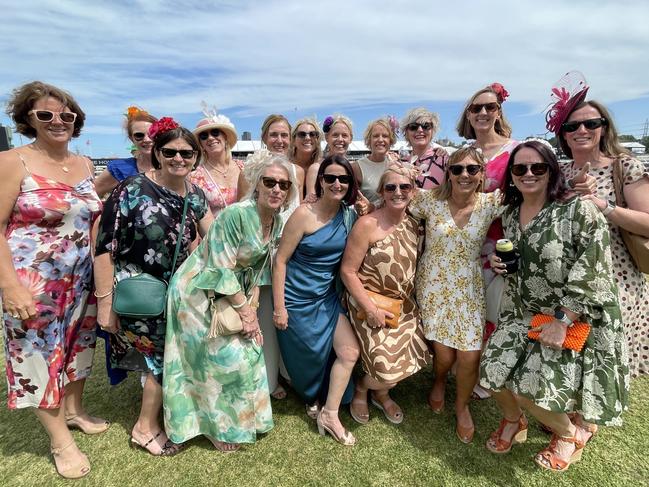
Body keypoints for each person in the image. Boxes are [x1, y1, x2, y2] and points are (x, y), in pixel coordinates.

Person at [479, 140, 628, 472]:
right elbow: (520, 257)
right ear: (512, 176)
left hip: (571, 315)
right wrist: (502, 264)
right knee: (491, 373)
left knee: (533, 390)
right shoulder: (509, 215)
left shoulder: (577, 209)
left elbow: (593, 267)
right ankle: (514, 421)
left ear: (551, 171)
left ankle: (568, 434)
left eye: (538, 167)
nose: (529, 173)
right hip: (523, 312)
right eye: (520, 169)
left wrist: (563, 319)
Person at [0, 81, 105, 479]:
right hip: (33, 281)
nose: (57, 121)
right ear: (28, 118)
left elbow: (89, 218)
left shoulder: (82, 164)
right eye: (45, 115)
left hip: (81, 278)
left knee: (79, 347)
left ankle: (75, 411)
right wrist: (9, 285)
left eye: (66, 115)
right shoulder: (12, 161)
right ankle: (60, 439)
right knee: (37, 356)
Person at [164, 152, 297, 452]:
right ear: (257, 186)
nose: (276, 189)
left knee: (246, 353)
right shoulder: (236, 214)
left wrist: (251, 310)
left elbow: (261, 272)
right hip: (197, 292)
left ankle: (246, 419)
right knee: (213, 362)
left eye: (283, 185)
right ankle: (210, 427)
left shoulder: (274, 222)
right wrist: (246, 315)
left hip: (230, 291)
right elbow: (220, 268)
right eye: (270, 182)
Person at [94, 117, 212, 456]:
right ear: (157, 153)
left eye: (187, 153)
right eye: (171, 152)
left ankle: (165, 419)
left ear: (195, 158)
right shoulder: (130, 189)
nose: (179, 159)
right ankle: (145, 428)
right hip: (141, 293)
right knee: (161, 357)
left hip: (180, 293)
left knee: (170, 357)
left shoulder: (195, 193)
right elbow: (104, 247)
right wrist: (105, 304)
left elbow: (215, 237)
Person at [548, 74, 649, 378]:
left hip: (613, 276)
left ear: (604, 128)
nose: (581, 130)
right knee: (573, 352)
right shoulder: (559, 171)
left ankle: (586, 423)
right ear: (563, 135)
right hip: (568, 277)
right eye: (572, 126)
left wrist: (603, 205)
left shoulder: (624, 165)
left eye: (590, 123)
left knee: (603, 357)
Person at [408, 146, 503, 443]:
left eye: (472, 169)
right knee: (445, 354)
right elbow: (397, 211)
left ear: (481, 174)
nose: (464, 174)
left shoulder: (491, 202)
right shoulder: (429, 200)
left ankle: (461, 407)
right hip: (434, 284)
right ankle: (438, 380)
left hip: (468, 286)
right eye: (457, 169)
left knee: (469, 354)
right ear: (448, 173)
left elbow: (534, 198)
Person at [273, 155, 360, 446]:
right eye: (330, 177)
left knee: (348, 352)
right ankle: (311, 397)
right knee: (307, 356)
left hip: (326, 299)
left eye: (343, 179)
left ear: (350, 184)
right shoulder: (303, 214)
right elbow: (281, 261)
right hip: (295, 299)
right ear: (320, 180)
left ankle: (330, 414)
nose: (337, 183)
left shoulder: (350, 215)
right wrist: (279, 307)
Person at [341, 164, 431, 425]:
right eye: (390, 187)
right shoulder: (367, 224)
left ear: (413, 192)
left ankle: (380, 393)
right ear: (381, 191)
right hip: (368, 303)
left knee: (417, 356)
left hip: (404, 307)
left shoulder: (415, 225)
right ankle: (362, 388)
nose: (398, 192)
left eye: (404, 187)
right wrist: (370, 308)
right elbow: (347, 271)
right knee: (386, 368)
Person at [456, 83, 519, 398]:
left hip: (502, 244)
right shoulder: (464, 155)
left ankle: (494, 375)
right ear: (468, 114)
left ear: (499, 112)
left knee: (497, 312)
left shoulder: (516, 151)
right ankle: (472, 369)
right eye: (476, 108)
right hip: (467, 245)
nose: (482, 113)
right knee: (472, 310)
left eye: (489, 107)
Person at [94, 106, 157, 198]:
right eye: (139, 135)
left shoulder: (174, 165)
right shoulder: (119, 169)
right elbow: (89, 198)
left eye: (152, 134)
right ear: (132, 139)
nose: (147, 139)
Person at [190, 112, 243, 217]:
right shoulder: (195, 177)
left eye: (215, 132)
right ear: (201, 144)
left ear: (225, 137)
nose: (210, 138)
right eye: (204, 136)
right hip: (214, 232)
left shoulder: (243, 167)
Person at [351, 117, 399, 205]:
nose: (380, 140)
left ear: (391, 140)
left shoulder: (395, 166)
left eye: (385, 136)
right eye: (376, 136)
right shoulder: (357, 167)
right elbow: (354, 202)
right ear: (369, 140)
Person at [400, 107, 449, 189]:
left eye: (426, 126)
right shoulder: (401, 164)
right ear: (406, 133)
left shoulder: (445, 160)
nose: (420, 130)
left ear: (432, 131)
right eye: (413, 127)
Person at [305, 115, 353, 195]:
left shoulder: (353, 168)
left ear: (350, 138)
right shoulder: (316, 169)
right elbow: (310, 202)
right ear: (327, 137)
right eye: (335, 135)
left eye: (344, 135)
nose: (340, 139)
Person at [289, 117, 323, 195]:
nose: (307, 138)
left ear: (317, 139)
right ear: (293, 140)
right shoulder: (286, 165)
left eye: (313, 134)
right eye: (302, 134)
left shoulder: (322, 166)